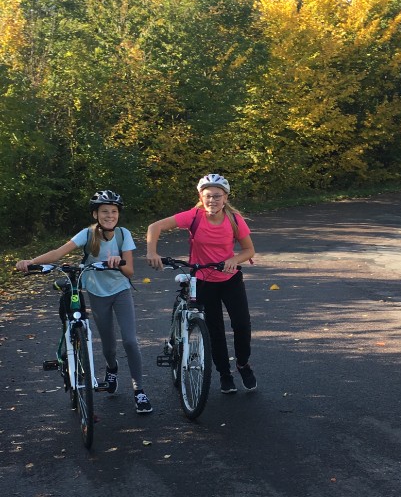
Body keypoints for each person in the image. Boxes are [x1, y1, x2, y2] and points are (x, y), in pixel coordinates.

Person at [16, 190, 153, 414]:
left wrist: (118, 262)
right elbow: (58, 253)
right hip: (97, 293)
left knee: (130, 340)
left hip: (121, 291)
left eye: (114, 211)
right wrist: (31, 261)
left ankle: (139, 390)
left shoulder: (123, 234)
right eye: (104, 211)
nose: (110, 215)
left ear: (118, 214)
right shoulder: (88, 234)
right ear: (95, 214)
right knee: (109, 345)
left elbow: (129, 271)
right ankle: (112, 369)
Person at [146, 173, 257, 394]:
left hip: (230, 278)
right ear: (201, 197)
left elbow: (249, 250)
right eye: (208, 196)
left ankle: (243, 364)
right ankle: (224, 374)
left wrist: (234, 260)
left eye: (217, 196)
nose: (212, 200)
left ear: (225, 198)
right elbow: (154, 227)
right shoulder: (193, 216)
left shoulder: (234, 220)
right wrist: (151, 252)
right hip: (203, 280)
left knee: (242, 324)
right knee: (214, 330)